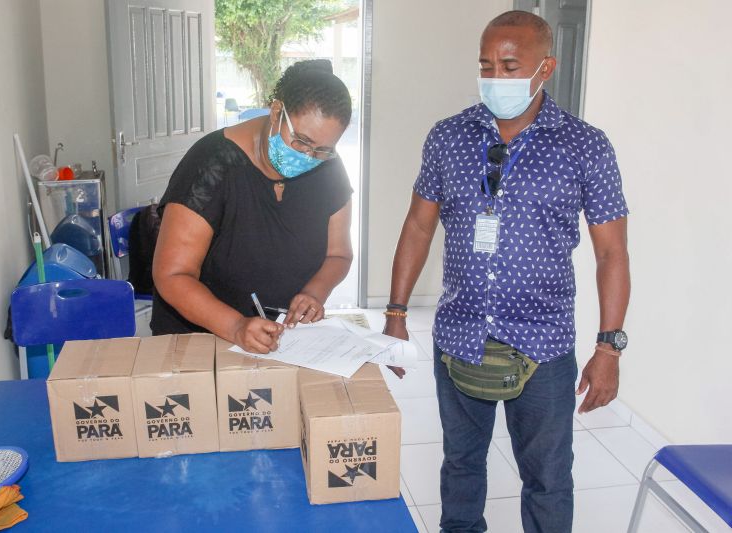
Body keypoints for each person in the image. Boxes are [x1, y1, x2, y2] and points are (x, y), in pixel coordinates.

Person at [384, 11, 630, 533]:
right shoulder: (447, 137)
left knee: (547, 479)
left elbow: (612, 253)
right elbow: (418, 227)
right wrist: (396, 312)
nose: (495, 77)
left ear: (546, 67)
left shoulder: (586, 146)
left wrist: (608, 346)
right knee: (461, 467)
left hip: (543, 346)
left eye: (510, 65)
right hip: (459, 337)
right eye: (486, 65)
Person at [152, 60, 354, 354]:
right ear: (276, 112)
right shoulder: (212, 165)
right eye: (300, 141)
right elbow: (172, 275)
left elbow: (338, 254)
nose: (308, 156)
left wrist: (314, 293)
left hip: (283, 341)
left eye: (322, 150)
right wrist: (235, 326)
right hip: (200, 340)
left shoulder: (327, 167)